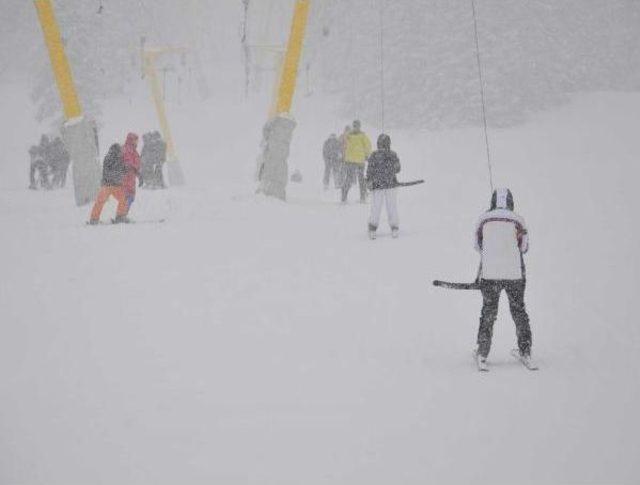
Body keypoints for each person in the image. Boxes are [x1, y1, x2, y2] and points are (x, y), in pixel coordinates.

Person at [474, 188, 532, 368]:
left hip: (491, 275)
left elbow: (478, 246)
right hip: (514, 274)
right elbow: (524, 248)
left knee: (489, 312)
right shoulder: (519, 220)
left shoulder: (483, 219)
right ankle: (525, 350)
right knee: (518, 311)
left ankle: (482, 352)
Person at [365, 134, 400, 239]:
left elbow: (398, 169)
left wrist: (395, 164)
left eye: (384, 144)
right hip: (377, 186)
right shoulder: (374, 155)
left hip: (390, 185)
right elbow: (370, 170)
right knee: (376, 208)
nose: (382, 146)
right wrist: (369, 181)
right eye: (381, 144)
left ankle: (394, 227)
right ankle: (372, 227)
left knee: (392, 207)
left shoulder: (393, 154)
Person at [88, 143, 128, 224]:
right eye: (121, 150)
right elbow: (121, 171)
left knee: (100, 202)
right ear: (117, 150)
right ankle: (119, 216)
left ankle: (94, 218)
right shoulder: (115, 158)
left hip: (109, 185)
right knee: (122, 199)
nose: (122, 151)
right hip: (112, 185)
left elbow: (118, 171)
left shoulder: (110, 158)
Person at [342, 120, 371, 203]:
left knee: (350, 179)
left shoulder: (348, 136)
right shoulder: (362, 136)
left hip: (351, 160)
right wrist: (367, 155)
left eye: (356, 126)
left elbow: (344, 146)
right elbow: (368, 146)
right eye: (355, 126)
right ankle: (362, 197)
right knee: (360, 179)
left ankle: (344, 197)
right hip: (358, 161)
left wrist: (344, 156)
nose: (356, 127)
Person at [121, 132, 143, 215]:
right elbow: (128, 163)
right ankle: (122, 214)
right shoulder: (128, 149)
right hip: (127, 177)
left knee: (129, 197)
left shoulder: (133, 150)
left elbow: (135, 165)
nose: (137, 142)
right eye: (136, 140)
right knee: (128, 196)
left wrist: (138, 175)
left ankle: (122, 214)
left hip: (131, 177)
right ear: (132, 140)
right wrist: (136, 171)